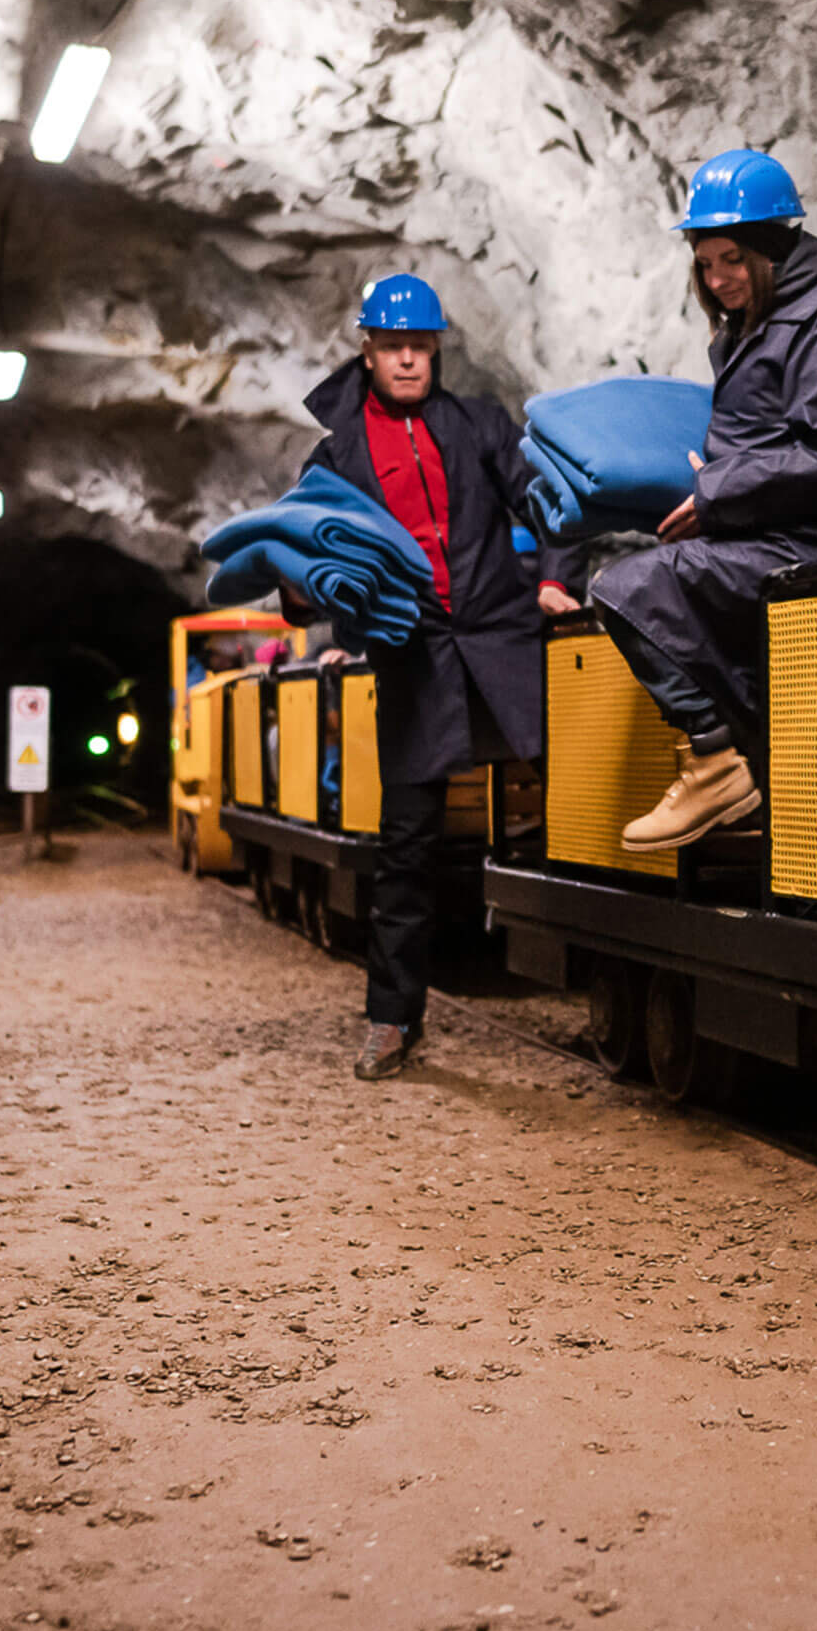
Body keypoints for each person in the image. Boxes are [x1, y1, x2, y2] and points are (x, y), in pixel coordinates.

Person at [283, 274, 583, 1081]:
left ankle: (603, 980)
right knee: (406, 845)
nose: (408, 360)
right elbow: (303, 553)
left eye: (420, 346)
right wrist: (298, 587)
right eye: (393, 347)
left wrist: (555, 576)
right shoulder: (336, 455)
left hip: (501, 640)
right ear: (366, 350)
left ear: (437, 348)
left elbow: (547, 498)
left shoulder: (478, 424)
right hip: (414, 657)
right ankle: (391, 1018)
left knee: (577, 799)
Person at [593, 148, 817, 852]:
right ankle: (747, 769)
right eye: (704, 262)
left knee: (624, 587)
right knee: (644, 590)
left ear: (770, 250)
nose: (717, 277)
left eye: (731, 258)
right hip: (767, 538)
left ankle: (714, 760)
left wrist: (717, 492)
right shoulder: (747, 335)